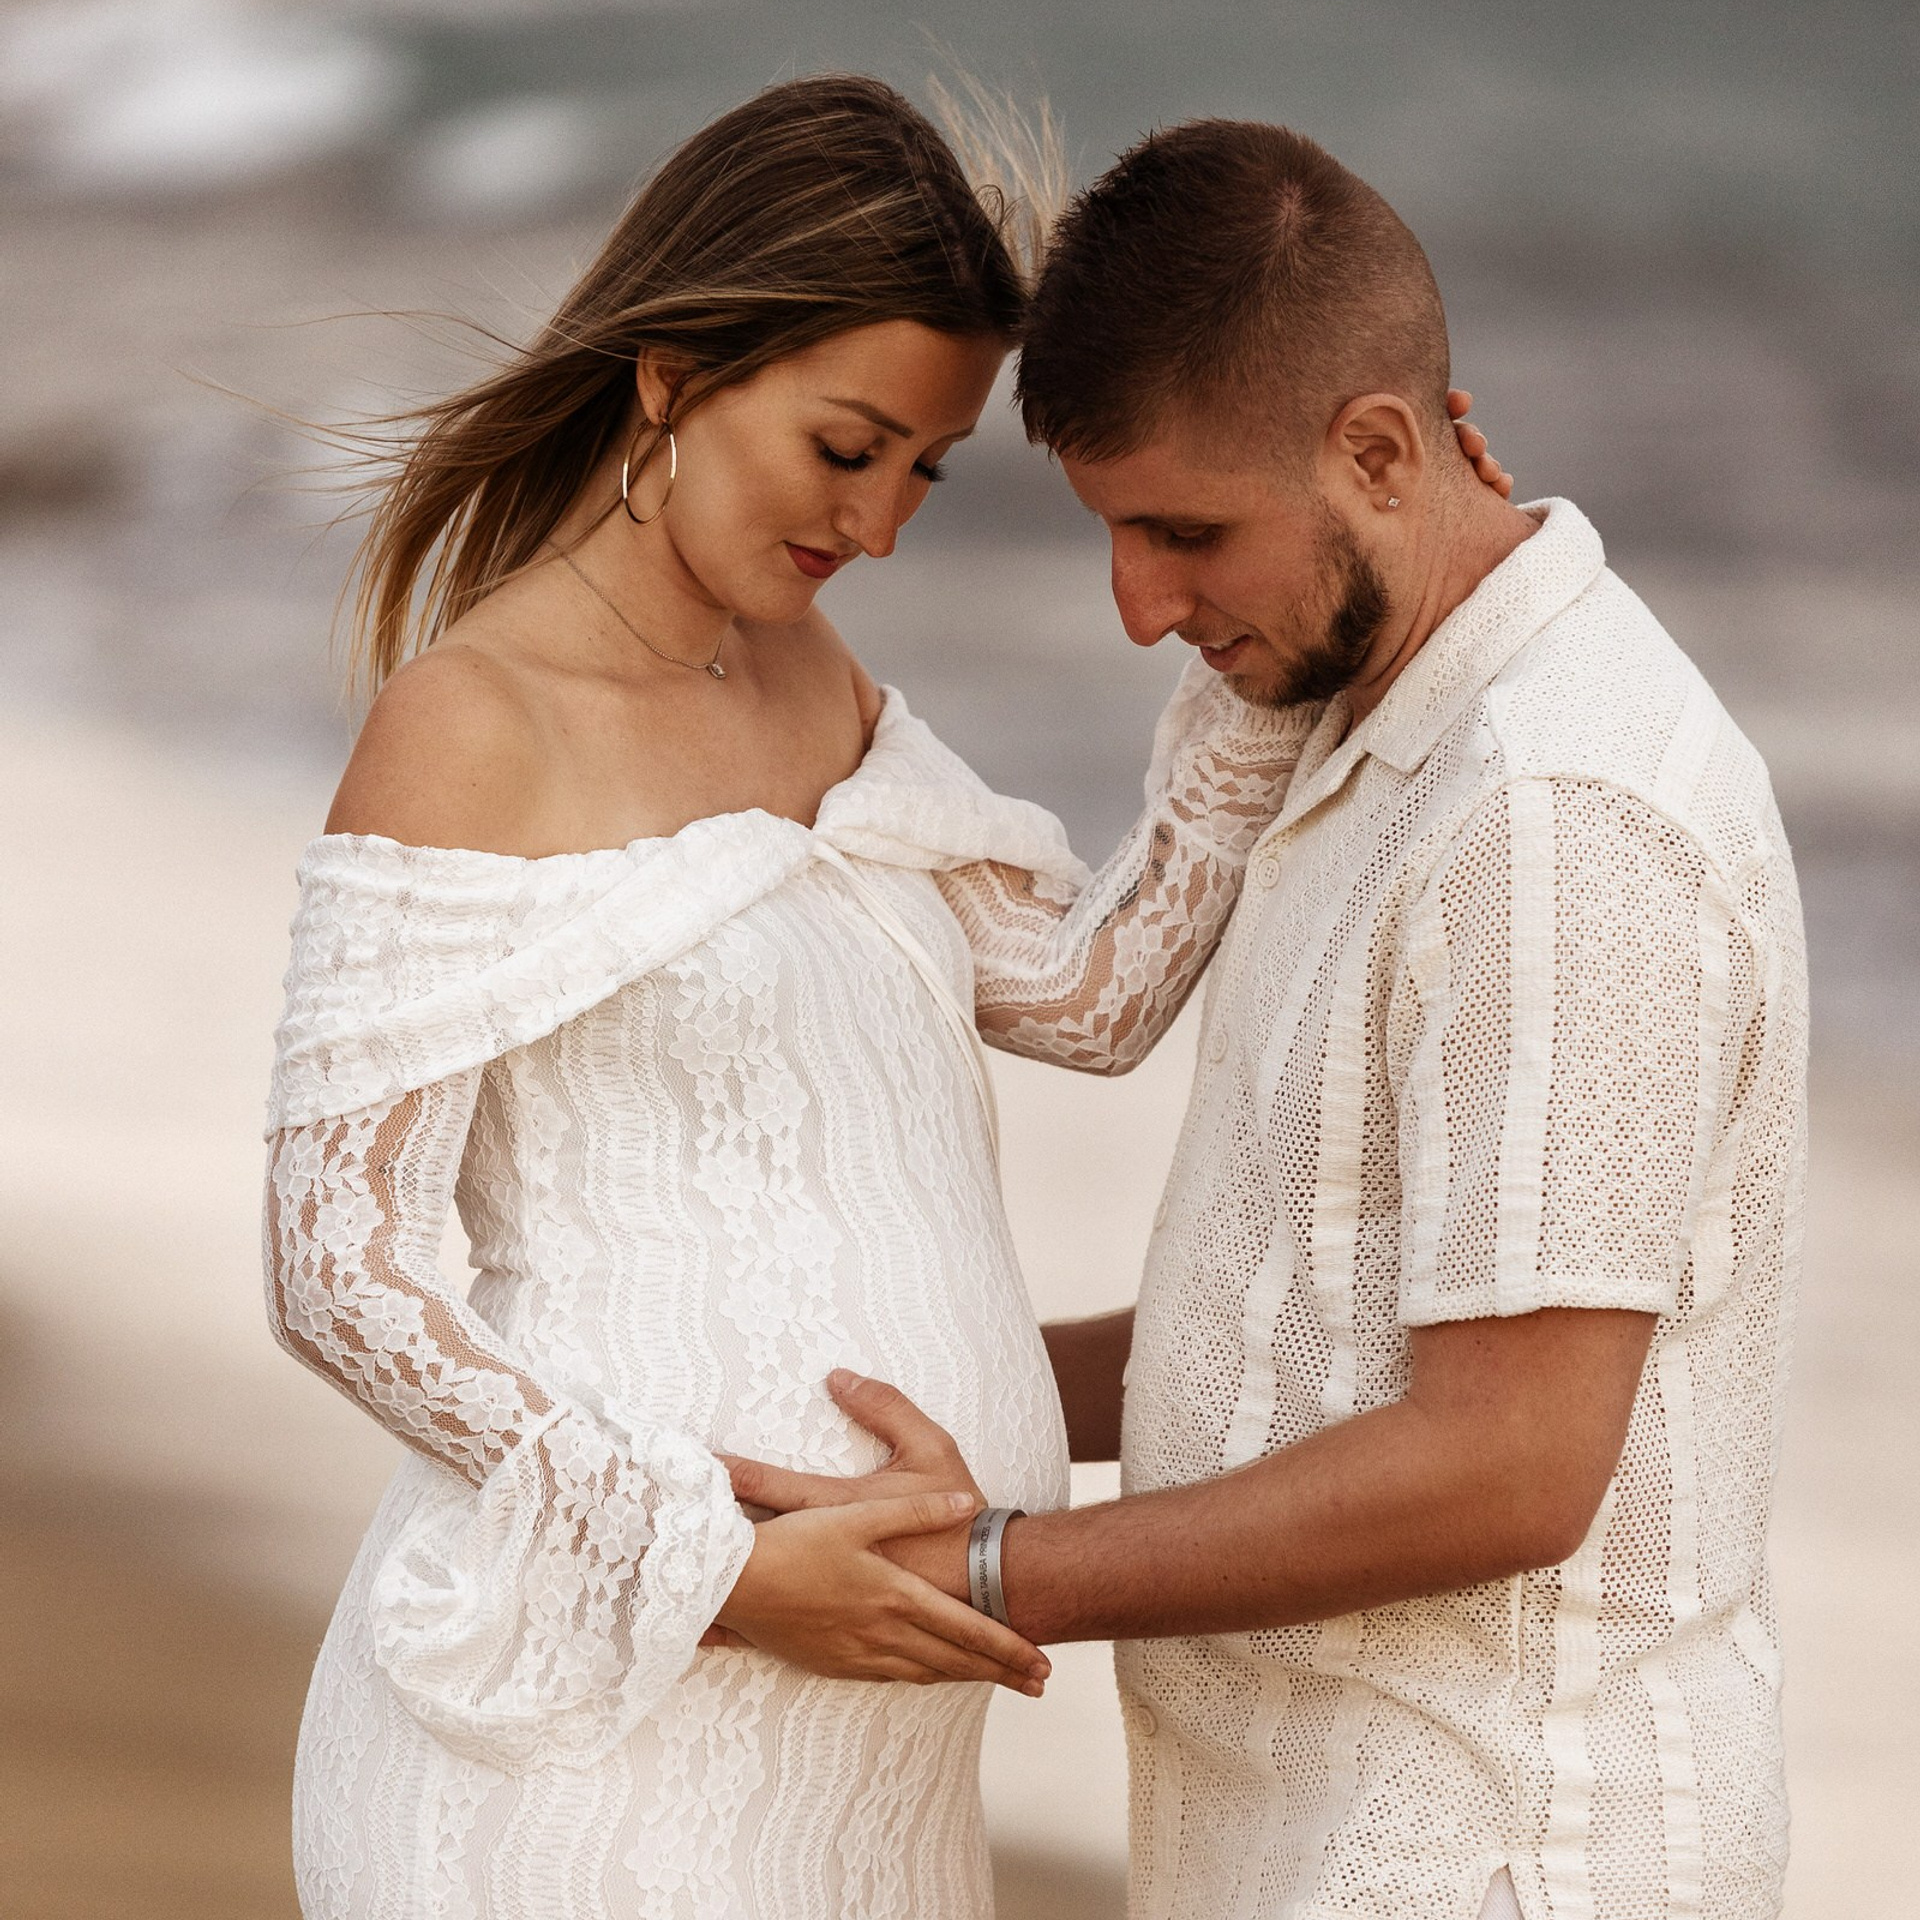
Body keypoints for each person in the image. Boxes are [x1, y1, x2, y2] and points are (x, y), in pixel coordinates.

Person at [262, 75, 1510, 1917]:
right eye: (845, 448)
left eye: (923, 468)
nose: (883, 525)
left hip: (865, 1772)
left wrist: (1272, 644)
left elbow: (1088, 995)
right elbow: (334, 1266)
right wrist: (715, 1568)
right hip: (591, 1730)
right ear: (674, 374)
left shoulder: (811, 680)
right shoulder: (475, 722)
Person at [727, 122, 1807, 1920]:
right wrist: (910, 1400)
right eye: (1116, 535)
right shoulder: (1366, 713)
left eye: (1185, 535)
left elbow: (1509, 1461)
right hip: (1324, 1848)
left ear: (1382, 449)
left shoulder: (1552, 816)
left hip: (1505, 1859)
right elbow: (1322, 1310)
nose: (1145, 607)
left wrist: (996, 1575)